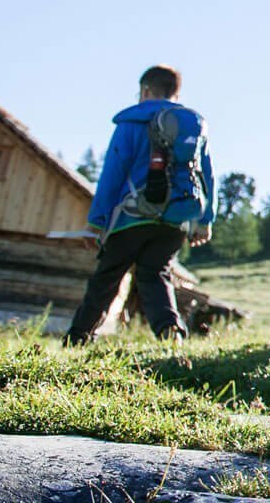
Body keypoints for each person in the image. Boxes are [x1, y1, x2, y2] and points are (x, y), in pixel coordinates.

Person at [65, 65, 214, 344]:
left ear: (145, 90)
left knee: (107, 278)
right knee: (156, 275)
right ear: (176, 93)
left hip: (131, 217)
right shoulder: (192, 126)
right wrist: (205, 221)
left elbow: (113, 172)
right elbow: (206, 175)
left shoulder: (131, 122)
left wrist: (96, 221)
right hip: (175, 219)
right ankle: (171, 334)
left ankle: (78, 338)